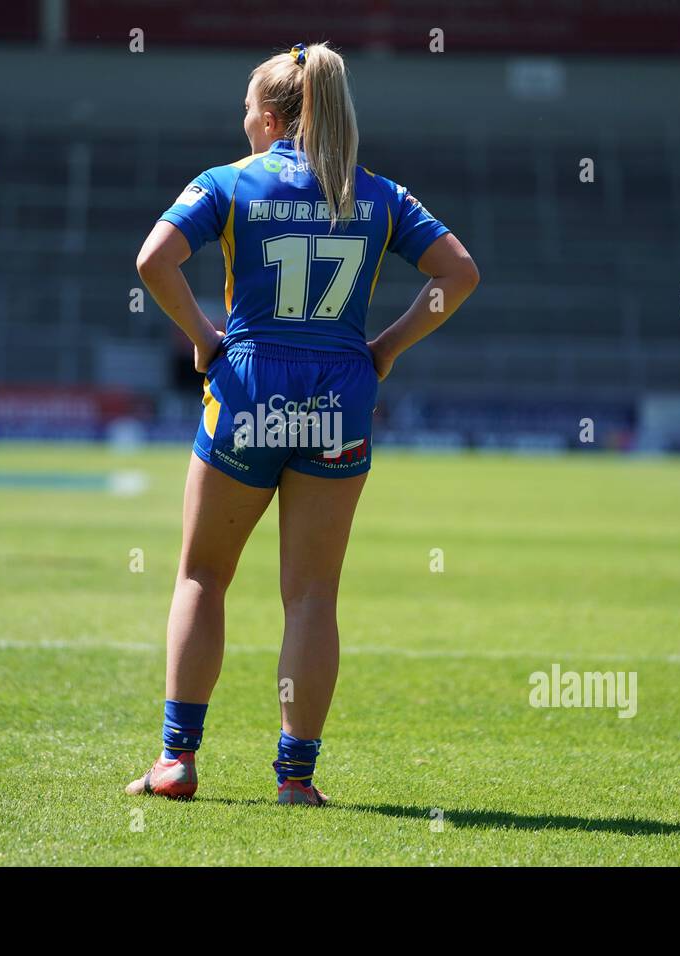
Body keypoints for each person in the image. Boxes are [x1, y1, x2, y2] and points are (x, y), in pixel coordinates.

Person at [128, 42, 479, 804]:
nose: (243, 122)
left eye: (247, 110)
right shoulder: (379, 193)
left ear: (272, 115)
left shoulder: (226, 182)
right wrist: (384, 348)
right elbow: (460, 274)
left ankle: (177, 762)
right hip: (338, 397)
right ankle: (296, 778)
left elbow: (154, 260)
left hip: (250, 384)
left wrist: (201, 337)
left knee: (202, 576)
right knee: (313, 596)